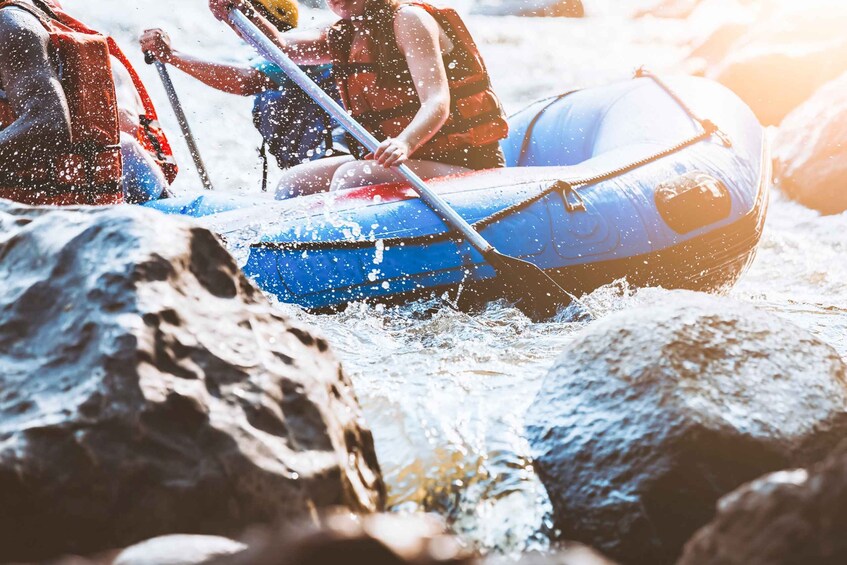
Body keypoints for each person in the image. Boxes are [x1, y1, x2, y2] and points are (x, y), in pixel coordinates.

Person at [209, 0, 509, 199]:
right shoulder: (347, 33)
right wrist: (239, 15)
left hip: (465, 164)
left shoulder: (409, 19)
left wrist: (404, 142)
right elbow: (281, 47)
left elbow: (437, 100)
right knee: (294, 184)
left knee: (353, 176)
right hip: (408, 160)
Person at [140, 0, 344, 191]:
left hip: (338, 158)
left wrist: (172, 56)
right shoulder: (267, 54)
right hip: (314, 165)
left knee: (291, 184)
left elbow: (244, 80)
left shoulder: (302, 56)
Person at [0, 0, 177, 205]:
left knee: (124, 145)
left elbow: (49, 123)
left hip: (111, 191)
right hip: (81, 195)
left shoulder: (12, 24)